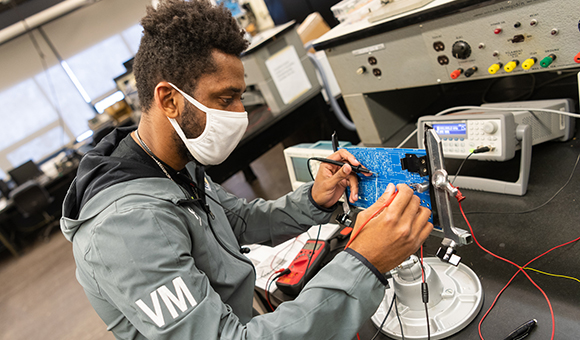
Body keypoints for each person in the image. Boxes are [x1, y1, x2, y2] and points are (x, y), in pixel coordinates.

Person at [60, 0, 433, 339]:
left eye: (241, 96)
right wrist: (364, 263)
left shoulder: (168, 163)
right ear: (169, 100)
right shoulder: (125, 230)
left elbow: (235, 221)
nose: (240, 113)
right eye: (225, 98)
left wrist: (315, 201)